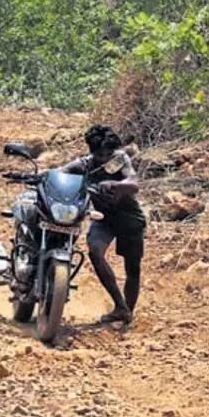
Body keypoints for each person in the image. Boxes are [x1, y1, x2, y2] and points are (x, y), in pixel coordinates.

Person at [63, 124, 146, 325]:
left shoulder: (119, 161)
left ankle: (127, 312)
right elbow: (59, 172)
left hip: (129, 218)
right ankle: (120, 306)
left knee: (132, 268)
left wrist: (116, 185)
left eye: (109, 153)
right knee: (95, 251)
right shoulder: (85, 165)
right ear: (92, 152)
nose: (106, 158)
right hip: (104, 218)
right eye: (101, 154)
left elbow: (133, 183)